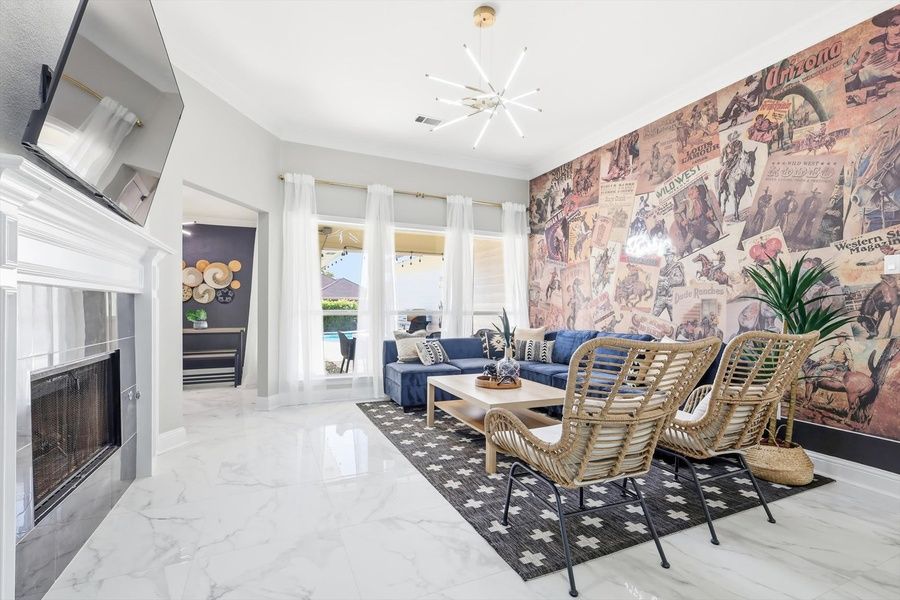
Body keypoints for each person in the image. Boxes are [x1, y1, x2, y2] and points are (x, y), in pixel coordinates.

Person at [845, 7, 900, 95]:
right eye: (894, 24)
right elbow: (842, 77)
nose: (898, 31)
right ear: (887, 27)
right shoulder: (867, 47)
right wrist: (856, 67)